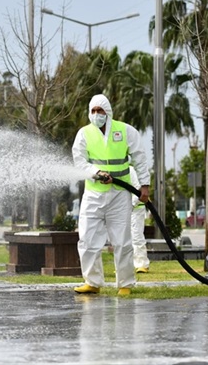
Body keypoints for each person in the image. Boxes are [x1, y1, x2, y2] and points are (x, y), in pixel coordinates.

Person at [72, 94, 149, 296]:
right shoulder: (84, 134)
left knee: (122, 241)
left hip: (119, 194)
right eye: (93, 111)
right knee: (87, 240)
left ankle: (125, 284)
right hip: (94, 194)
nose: (97, 114)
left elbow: (140, 158)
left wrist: (145, 186)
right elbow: (79, 162)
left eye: (100, 111)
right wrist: (96, 173)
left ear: (109, 112)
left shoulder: (125, 131)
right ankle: (92, 282)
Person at [129, 166, 150, 274]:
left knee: (137, 237)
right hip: (123, 210)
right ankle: (126, 265)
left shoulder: (131, 170)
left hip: (136, 209)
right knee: (123, 239)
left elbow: (138, 190)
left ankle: (142, 264)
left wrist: (131, 204)